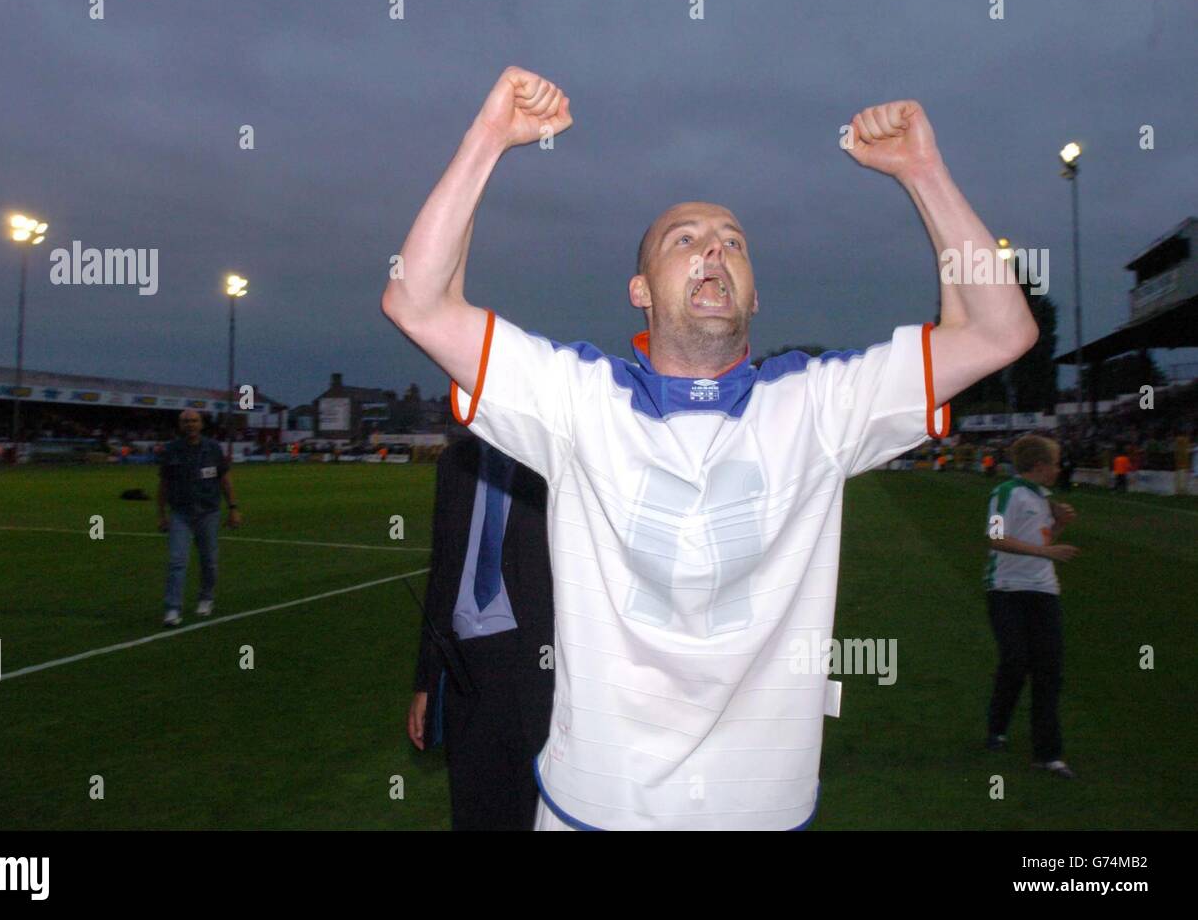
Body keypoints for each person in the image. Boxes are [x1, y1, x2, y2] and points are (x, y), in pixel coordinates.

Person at [381, 66, 1038, 830]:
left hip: (761, 813)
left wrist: (924, 172)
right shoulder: (576, 396)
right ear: (641, 289)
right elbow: (415, 298)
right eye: (683, 240)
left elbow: (1001, 330)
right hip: (595, 810)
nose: (713, 252)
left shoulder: (819, 404)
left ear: (754, 294)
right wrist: (488, 137)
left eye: (733, 243)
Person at [407, 435, 554, 830]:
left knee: (531, 806)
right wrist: (425, 681)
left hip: (533, 663)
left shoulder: (548, 453)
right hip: (463, 667)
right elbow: (441, 569)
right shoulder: (455, 462)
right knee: (472, 807)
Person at [983, 435, 1078, 778]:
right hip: (1006, 590)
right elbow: (995, 537)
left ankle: (1048, 754)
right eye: (1054, 463)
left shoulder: (1044, 498)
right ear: (1039, 466)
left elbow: (1040, 537)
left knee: (1049, 671)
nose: (1058, 468)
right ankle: (997, 726)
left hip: (1044, 591)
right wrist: (1046, 552)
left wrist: (1058, 526)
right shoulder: (1005, 493)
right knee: (1015, 661)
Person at [157, 409, 241, 627]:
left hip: (208, 512)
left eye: (194, 421)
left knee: (209, 561)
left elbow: (225, 480)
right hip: (180, 513)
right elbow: (164, 484)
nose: (190, 425)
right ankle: (173, 608)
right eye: (185, 421)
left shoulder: (213, 448)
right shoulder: (171, 450)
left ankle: (206, 598)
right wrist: (161, 514)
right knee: (177, 561)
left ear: (201, 424)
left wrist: (233, 508)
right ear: (180, 425)